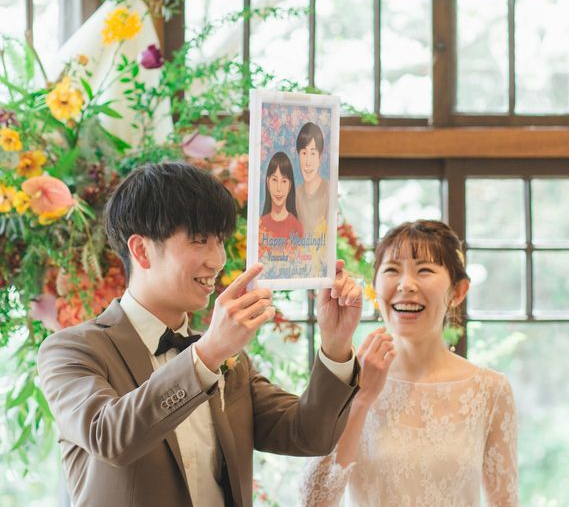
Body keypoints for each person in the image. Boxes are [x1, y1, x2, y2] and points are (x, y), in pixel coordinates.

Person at [37, 161, 364, 507]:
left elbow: (309, 435)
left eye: (219, 241)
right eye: (199, 241)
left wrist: (336, 343)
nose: (218, 260)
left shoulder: (229, 359)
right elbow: (109, 437)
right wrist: (207, 356)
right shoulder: (72, 350)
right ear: (142, 251)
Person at [301, 220, 519, 506]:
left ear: (458, 292)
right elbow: (314, 501)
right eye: (392, 270)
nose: (406, 285)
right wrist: (361, 398)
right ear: (375, 287)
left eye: (424, 270)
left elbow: (504, 501)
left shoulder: (491, 389)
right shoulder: (344, 378)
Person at [295, 122, 329, 235]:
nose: (307, 162)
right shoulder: (295, 194)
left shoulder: (329, 191)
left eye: (313, 154)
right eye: (304, 153)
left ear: (320, 157)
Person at [260, 151, 304, 239]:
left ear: (290, 185)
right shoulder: (260, 226)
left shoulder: (297, 227)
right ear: (268, 182)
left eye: (284, 181)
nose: (279, 188)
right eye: (274, 180)